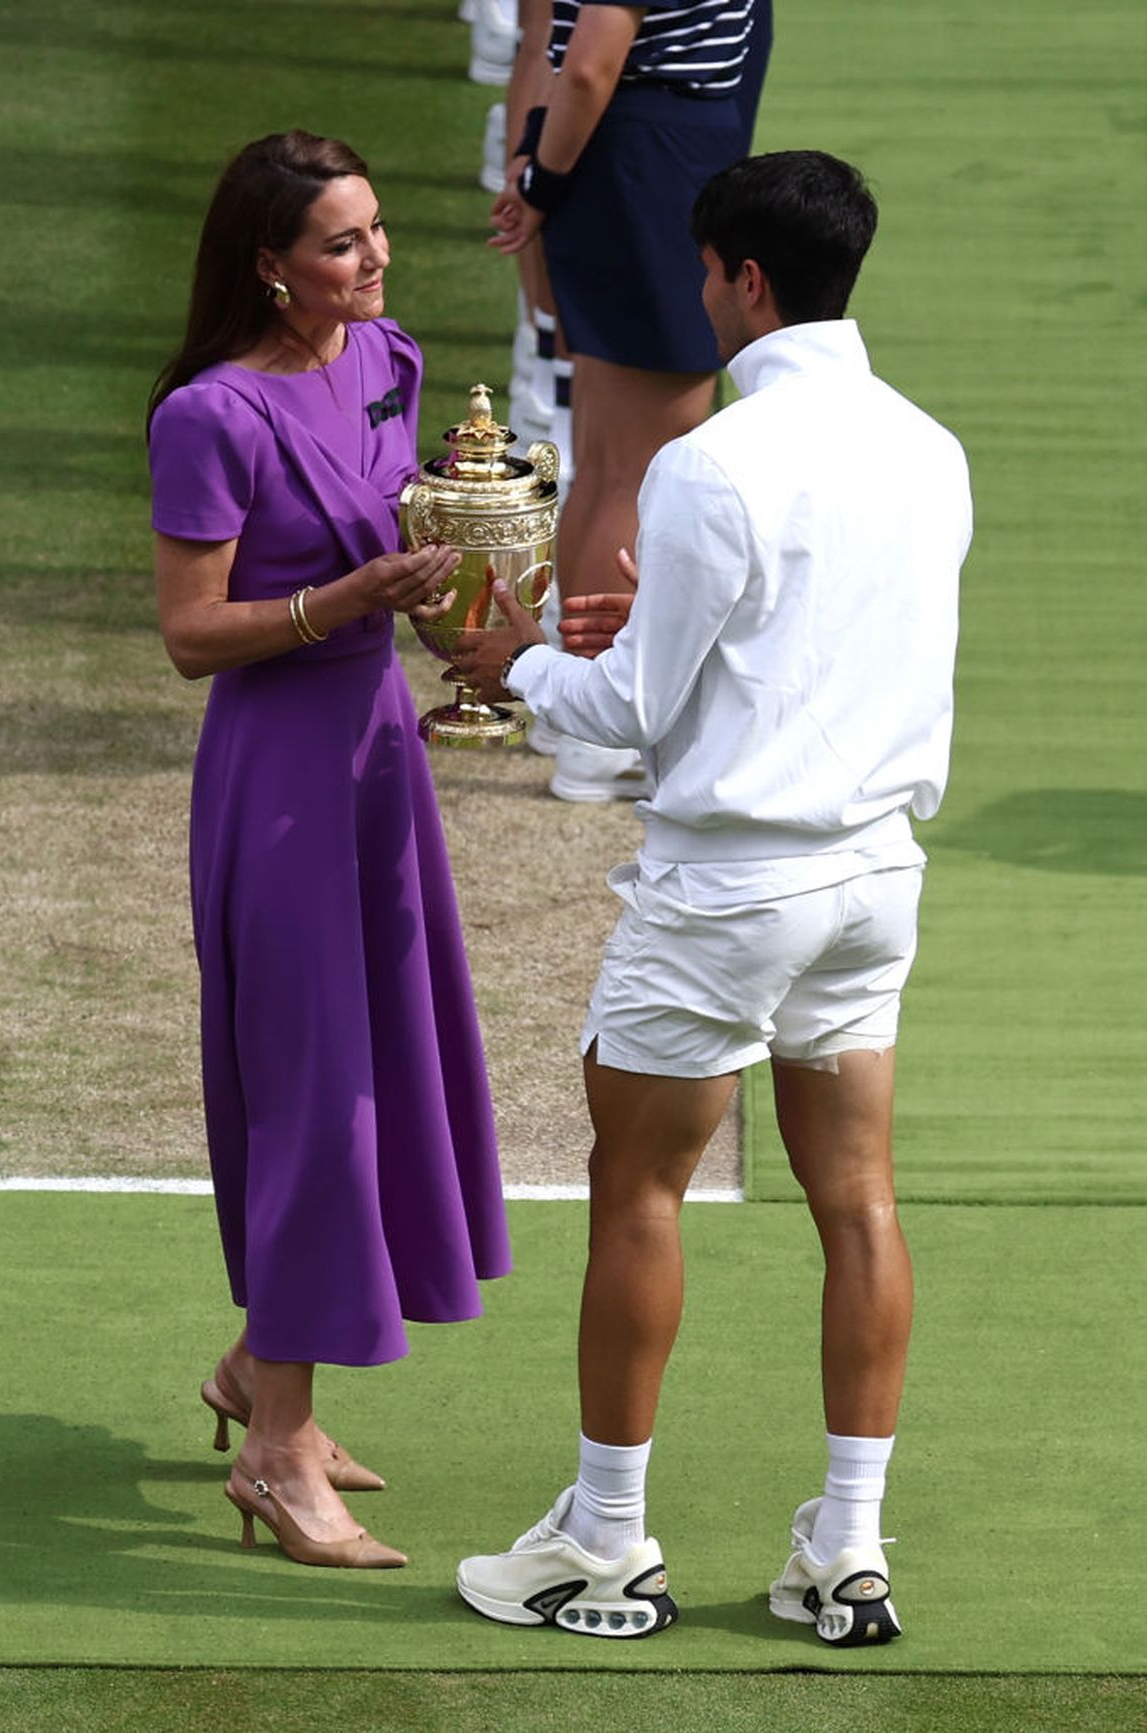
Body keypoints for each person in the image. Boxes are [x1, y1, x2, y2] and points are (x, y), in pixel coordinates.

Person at [452, 150, 972, 1642]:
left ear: (745, 279)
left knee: (639, 1189)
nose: (698, 294)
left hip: (730, 893)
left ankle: (606, 1543)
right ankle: (849, 1551)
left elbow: (630, 713)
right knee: (860, 1202)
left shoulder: (710, 464)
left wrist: (516, 663)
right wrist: (649, 640)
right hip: (873, 885)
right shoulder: (931, 449)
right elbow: (805, 640)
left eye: (702, 271)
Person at [147, 129, 511, 1571]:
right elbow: (191, 635)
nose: (374, 260)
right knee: (314, 1099)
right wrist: (346, 599)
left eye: (376, 230)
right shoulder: (209, 417)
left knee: (376, 1073)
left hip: (378, 763)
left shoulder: (390, 359)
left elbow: (412, 536)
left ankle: (260, 1368)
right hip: (278, 781)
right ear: (268, 265)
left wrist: (466, 621)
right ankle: (278, 1453)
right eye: (341, 243)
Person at [491, 0, 771, 801]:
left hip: (643, 155)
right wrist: (539, 183)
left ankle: (568, 706)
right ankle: (590, 733)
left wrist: (537, 166)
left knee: (608, 458)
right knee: (636, 463)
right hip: (650, 164)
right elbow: (585, 63)